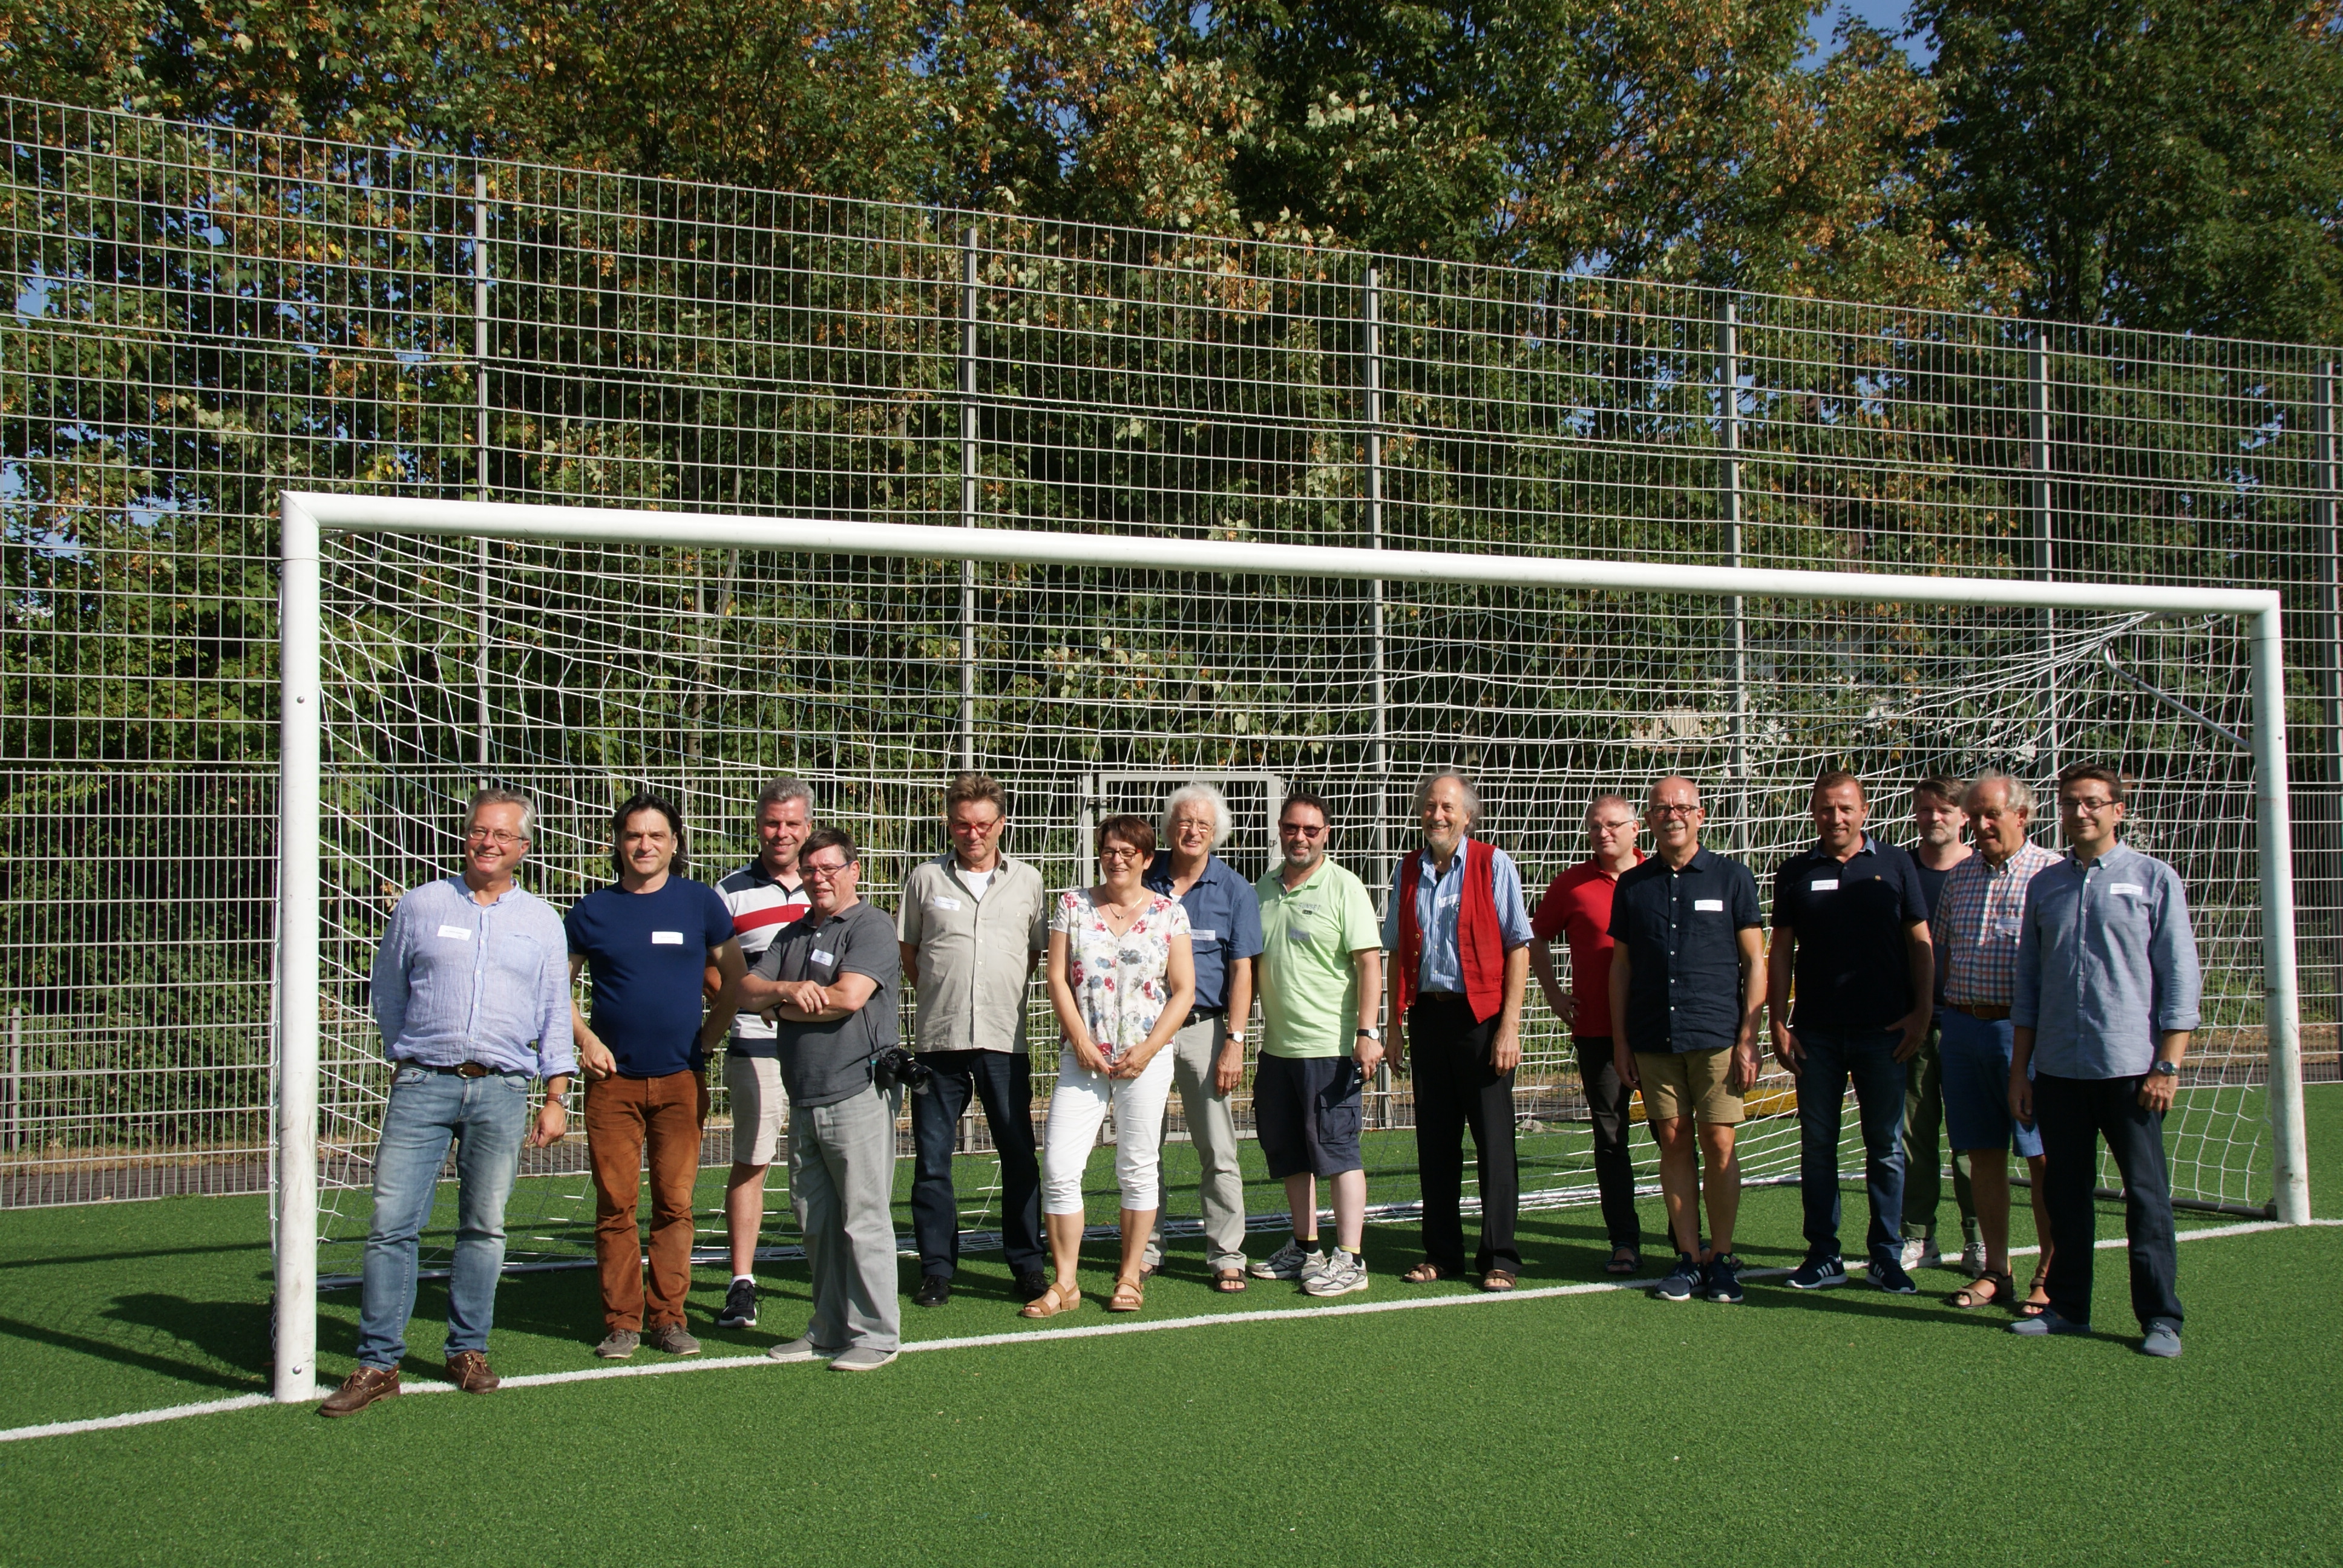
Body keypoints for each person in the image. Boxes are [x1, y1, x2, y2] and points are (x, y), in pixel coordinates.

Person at [321, 789, 576, 1417]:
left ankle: (467, 1349)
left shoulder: (543, 920)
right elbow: (388, 988)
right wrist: (407, 1054)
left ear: (523, 847)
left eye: (502, 836)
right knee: (390, 1224)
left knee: (484, 1226)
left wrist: (555, 1093)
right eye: (478, 832)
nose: (488, 843)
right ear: (466, 837)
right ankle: (379, 1361)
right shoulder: (421, 905)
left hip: (501, 1090)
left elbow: (553, 1011)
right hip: (423, 1083)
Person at [2010, 763, 2201, 1357]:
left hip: (2132, 1072)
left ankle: (2159, 1319)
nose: (2080, 812)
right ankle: (2068, 1307)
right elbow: (2028, 987)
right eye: (2069, 803)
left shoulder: (2152, 878)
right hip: (2060, 1072)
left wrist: (2165, 1065)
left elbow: (2179, 979)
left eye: (2092, 802)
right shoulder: (2044, 887)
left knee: (2145, 1197)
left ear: (2116, 810)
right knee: (2064, 1197)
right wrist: (2021, 1070)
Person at [566, 793, 744, 1361]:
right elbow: (554, 990)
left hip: (680, 1081)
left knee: (675, 1204)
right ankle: (622, 1323)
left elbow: (737, 981)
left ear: (675, 843)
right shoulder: (592, 910)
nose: (644, 845)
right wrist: (586, 1041)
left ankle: (669, 1319)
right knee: (615, 1205)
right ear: (618, 844)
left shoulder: (701, 905)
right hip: (612, 1084)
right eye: (633, 836)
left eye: (656, 835)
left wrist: (710, 1038)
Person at [741, 827, 907, 1371]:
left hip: (858, 1089)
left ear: (853, 869)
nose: (820, 879)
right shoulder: (791, 935)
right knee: (815, 1217)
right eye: (811, 871)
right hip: (805, 1095)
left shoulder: (872, 926)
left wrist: (778, 1008)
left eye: (830, 868)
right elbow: (745, 990)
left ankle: (877, 1335)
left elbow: (847, 998)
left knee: (863, 1218)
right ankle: (829, 1328)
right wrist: (787, 991)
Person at [1767, 772, 1934, 1296]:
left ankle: (1886, 1254)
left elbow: (1920, 942)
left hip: (1885, 1032)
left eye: (1844, 808)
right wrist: (1777, 1020)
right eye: (1824, 809)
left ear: (1864, 811)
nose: (1834, 818)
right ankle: (1823, 1254)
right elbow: (1781, 953)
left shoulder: (1896, 864)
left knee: (1885, 1145)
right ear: (1812, 813)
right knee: (1817, 1147)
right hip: (1816, 1034)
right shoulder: (1795, 871)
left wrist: (1921, 1012)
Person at [1023, 815, 1196, 1319]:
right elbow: (1056, 978)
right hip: (1084, 1058)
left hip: (1146, 1059)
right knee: (1058, 1167)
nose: (1116, 859)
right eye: (1109, 850)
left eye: (1128, 851)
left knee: (1138, 1168)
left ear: (1146, 859)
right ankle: (1066, 1283)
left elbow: (1183, 990)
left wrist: (1146, 1050)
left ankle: (1128, 1277)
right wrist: (1080, 1040)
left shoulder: (1169, 914)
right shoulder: (1072, 906)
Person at [1608, 776, 1765, 1304]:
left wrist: (1750, 1036)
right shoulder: (1634, 886)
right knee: (1673, 1141)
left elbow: (1755, 962)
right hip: (1654, 1037)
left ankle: (1722, 1260)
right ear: (1647, 821)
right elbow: (1622, 969)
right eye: (1661, 808)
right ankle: (1688, 1258)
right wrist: (1621, 1041)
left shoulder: (1732, 878)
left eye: (1682, 807)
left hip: (1717, 1035)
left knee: (1719, 1143)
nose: (1672, 815)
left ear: (1701, 816)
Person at [898, 773, 1051, 1307]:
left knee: (1018, 1155)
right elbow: (911, 953)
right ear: (950, 823)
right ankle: (937, 1270)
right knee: (932, 1160)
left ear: (1001, 824)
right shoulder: (923, 879)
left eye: (984, 824)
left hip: (1002, 1040)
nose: (973, 833)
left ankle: (1028, 1265)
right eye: (963, 824)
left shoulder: (1030, 881)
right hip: (938, 1042)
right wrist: (948, 994)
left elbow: (1032, 954)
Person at [1384, 771, 1535, 1292]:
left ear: (1468, 815)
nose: (1438, 815)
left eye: (1448, 807)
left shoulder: (1495, 864)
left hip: (1483, 1018)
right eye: (1430, 806)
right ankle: (1441, 1252)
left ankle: (1499, 1256)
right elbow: (1399, 951)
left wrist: (1509, 1026)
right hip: (1428, 1017)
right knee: (1436, 1143)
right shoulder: (1407, 871)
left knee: (1494, 1142)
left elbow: (1519, 945)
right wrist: (1394, 1025)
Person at [1935, 771, 2060, 1316]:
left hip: (2024, 1035)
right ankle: (1996, 1271)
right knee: (1981, 1155)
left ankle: (2048, 1276)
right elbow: (1941, 953)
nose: (1982, 825)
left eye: (1992, 815)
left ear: (2022, 817)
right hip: (1962, 1029)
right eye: (1975, 815)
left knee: (2041, 1159)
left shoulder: (2052, 875)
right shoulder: (1959, 878)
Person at [1250, 790, 1384, 1296]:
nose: (1300, 837)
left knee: (1338, 1152)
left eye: (1310, 830)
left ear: (1326, 834)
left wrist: (1368, 1033)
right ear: (1280, 830)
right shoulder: (1261, 890)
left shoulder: (1344, 887)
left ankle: (1351, 1258)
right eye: (1291, 828)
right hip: (1277, 1049)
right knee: (1290, 1153)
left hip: (1331, 1049)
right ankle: (1306, 1247)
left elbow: (1370, 962)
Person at [1142, 783, 1266, 1293]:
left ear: (1216, 834)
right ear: (1170, 829)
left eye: (1204, 825)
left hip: (1206, 1030)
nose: (1192, 832)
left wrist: (1235, 1041)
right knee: (1141, 1145)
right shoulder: (1142, 879)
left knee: (1217, 1148)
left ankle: (1226, 1254)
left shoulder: (1236, 890)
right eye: (1184, 822)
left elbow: (1243, 973)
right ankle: (1147, 1249)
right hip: (1146, 1032)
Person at [1527, 793, 1647, 1276]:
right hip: (1597, 1032)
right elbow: (1534, 937)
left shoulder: (1659, 878)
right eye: (1595, 826)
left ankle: (1691, 1239)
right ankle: (1624, 1240)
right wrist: (1555, 995)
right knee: (1611, 1136)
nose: (1603, 833)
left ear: (1635, 829)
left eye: (1613, 825)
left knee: (1674, 1134)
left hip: (1659, 1031)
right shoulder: (1572, 884)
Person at [712, 779, 814, 1331]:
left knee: (818, 1163)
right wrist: (753, 1002)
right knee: (753, 1159)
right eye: (773, 823)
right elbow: (715, 970)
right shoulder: (730, 891)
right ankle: (742, 1282)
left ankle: (827, 1274)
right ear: (758, 825)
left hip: (822, 1052)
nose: (782, 833)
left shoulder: (828, 881)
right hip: (755, 1046)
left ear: (807, 826)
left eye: (792, 823)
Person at [1900, 777, 1982, 1275]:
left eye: (1945, 810)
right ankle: (1918, 1236)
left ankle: (1979, 1237)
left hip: (1970, 1022)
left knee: (1972, 1141)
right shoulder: (1901, 869)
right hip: (1914, 1024)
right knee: (1912, 1135)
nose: (1934, 818)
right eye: (1925, 810)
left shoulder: (1981, 870)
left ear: (1964, 817)